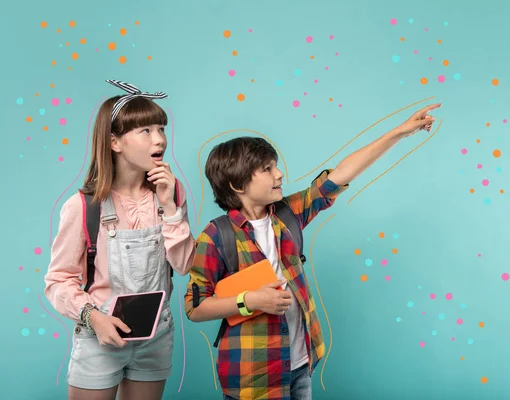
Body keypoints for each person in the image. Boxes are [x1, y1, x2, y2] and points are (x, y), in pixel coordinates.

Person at [184, 103, 441, 399]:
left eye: (275, 165)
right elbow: (194, 307)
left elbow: (341, 175)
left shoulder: (287, 215)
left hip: (300, 365)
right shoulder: (217, 236)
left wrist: (398, 133)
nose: (279, 174)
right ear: (236, 184)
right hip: (252, 379)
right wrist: (250, 300)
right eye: (267, 169)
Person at [45, 80, 196, 400]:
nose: (159, 139)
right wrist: (93, 317)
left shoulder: (172, 192)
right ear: (114, 142)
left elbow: (184, 266)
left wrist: (170, 209)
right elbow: (58, 280)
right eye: (145, 131)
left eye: (161, 129)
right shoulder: (83, 207)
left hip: (156, 337)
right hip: (99, 340)